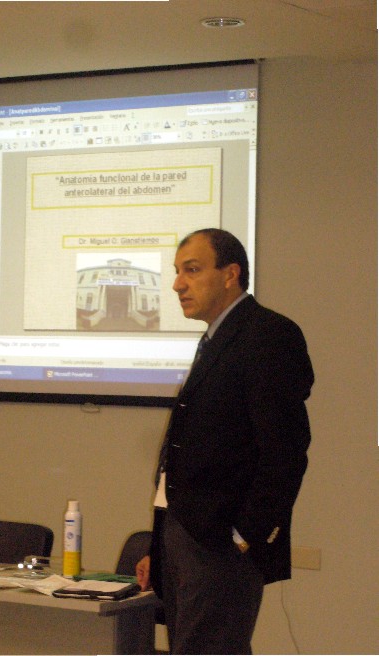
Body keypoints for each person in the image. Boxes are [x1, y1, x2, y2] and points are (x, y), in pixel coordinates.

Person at [136, 228, 314, 654]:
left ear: (230, 274)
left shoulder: (268, 335)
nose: (177, 284)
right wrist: (161, 546)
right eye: (177, 271)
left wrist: (244, 537)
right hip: (185, 538)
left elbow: (285, 452)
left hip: (220, 545)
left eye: (192, 270)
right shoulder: (216, 338)